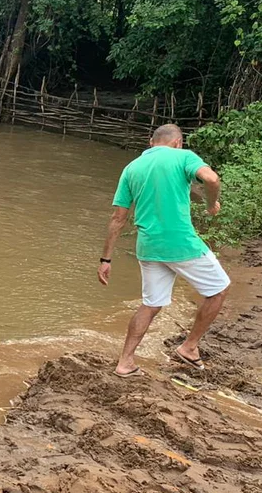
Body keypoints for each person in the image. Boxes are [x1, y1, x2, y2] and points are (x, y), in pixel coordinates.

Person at [98, 123, 230, 378]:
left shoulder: (132, 168)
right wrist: (212, 203)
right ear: (178, 143)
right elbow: (211, 178)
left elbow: (118, 218)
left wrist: (106, 259)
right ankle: (189, 347)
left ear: (151, 142)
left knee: (150, 304)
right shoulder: (183, 157)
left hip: (147, 247)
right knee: (219, 289)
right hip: (180, 243)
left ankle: (125, 362)